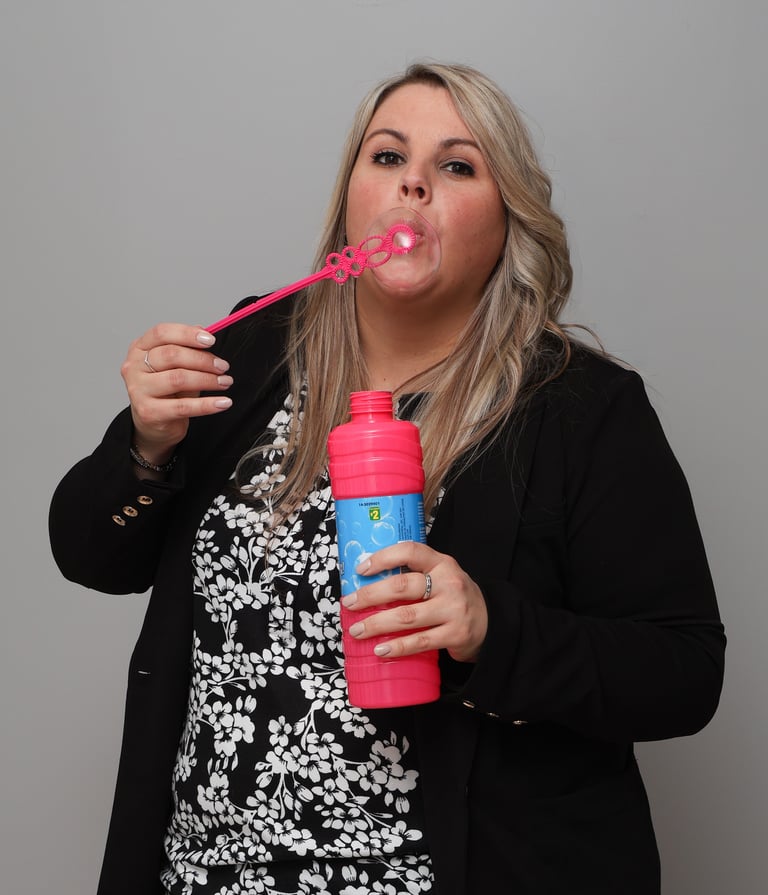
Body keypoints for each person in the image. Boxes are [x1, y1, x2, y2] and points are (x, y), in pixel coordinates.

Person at [49, 62, 725, 895]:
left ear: (508, 218)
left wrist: (491, 630)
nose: (413, 184)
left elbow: (685, 672)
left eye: (457, 166)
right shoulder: (250, 352)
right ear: (351, 199)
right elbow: (90, 555)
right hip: (204, 877)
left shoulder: (580, 408)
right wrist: (144, 444)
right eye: (388, 157)